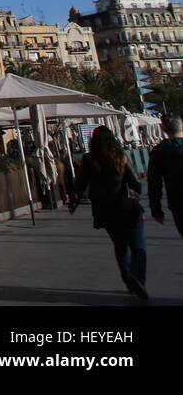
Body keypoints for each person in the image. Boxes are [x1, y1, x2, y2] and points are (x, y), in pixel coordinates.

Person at [71, 126, 147, 301]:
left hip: (104, 210)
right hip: (127, 207)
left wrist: (74, 201)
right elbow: (136, 183)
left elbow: (80, 184)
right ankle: (138, 279)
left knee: (120, 246)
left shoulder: (88, 159)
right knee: (138, 246)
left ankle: (129, 279)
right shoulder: (121, 156)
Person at [147, 114, 183, 239]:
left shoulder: (159, 151)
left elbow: (154, 182)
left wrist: (156, 210)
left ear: (163, 129)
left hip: (178, 202)